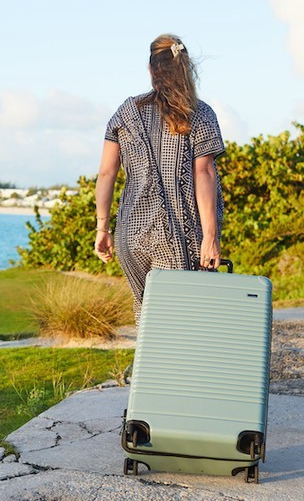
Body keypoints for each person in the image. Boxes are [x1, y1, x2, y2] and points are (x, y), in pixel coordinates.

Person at [94, 33, 226, 328]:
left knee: (147, 315)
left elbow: (106, 173)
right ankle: (174, 373)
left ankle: (150, 373)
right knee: (181, 320)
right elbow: (203, 173)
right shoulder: (199, 113)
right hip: (179, 235)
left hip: (130, 237)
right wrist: (210, 237)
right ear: (185, 68)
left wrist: (102, 228)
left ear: (151, 69)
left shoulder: (126, 111)